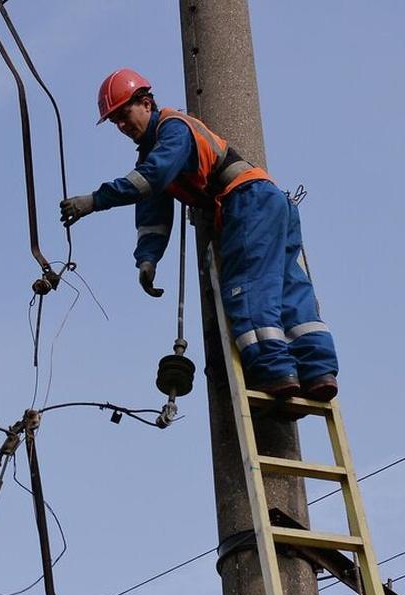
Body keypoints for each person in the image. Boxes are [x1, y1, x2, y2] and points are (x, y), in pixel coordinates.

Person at [59, 68, 339, 400]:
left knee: (247, 286)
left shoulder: (173, 128)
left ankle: (274, 371)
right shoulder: (155, 150)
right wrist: (147, 259)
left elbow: (150, 179)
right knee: (288, 286)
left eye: (124, 114)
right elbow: (153, 210)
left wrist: (93, 201)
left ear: (146, 102)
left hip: (247, 202)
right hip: (270, 202)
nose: (121, 126)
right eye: (115, 121)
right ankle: (317, 370)